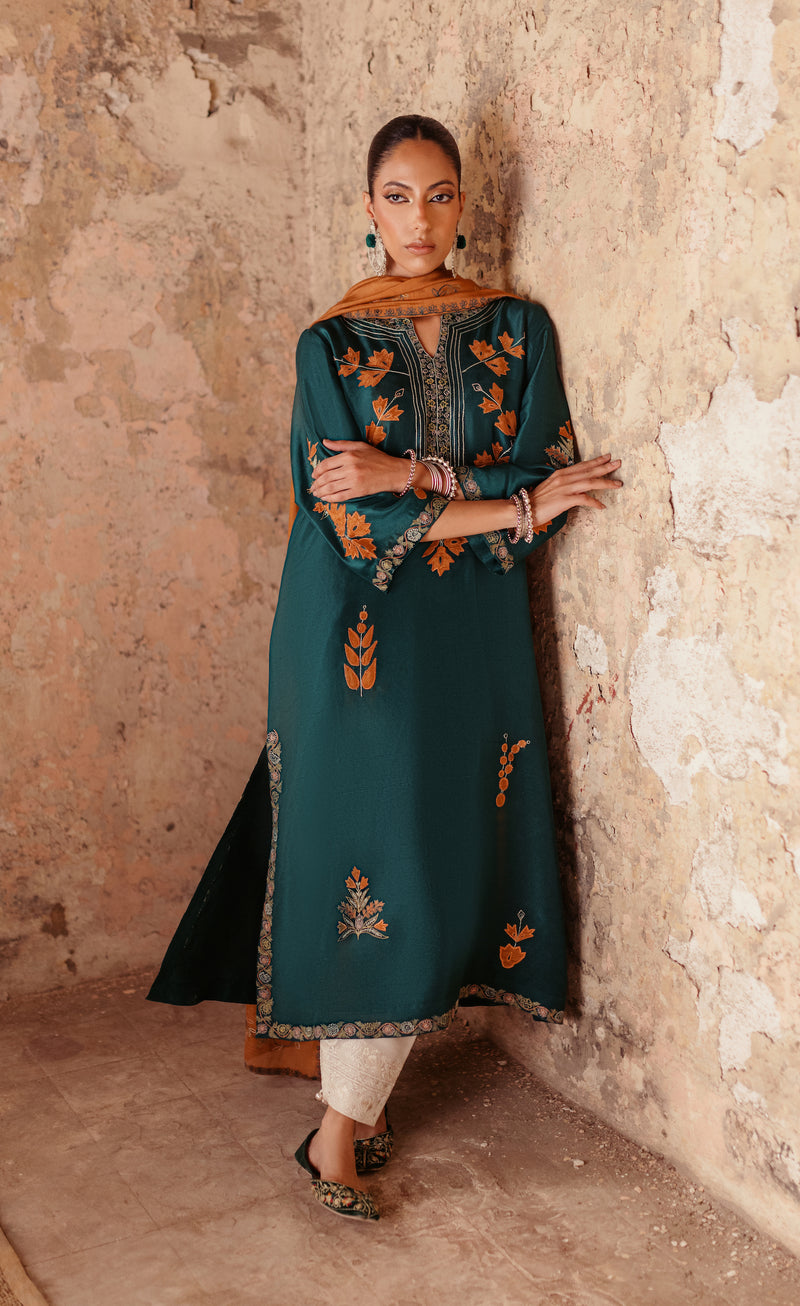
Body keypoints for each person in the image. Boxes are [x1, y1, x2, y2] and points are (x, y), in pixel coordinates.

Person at [148, 114, 622, 1222]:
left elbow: (546, 474)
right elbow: (348, 517)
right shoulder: (327, 346)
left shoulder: (518, 328)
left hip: (472, 631)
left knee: (443, 850)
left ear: (465, 204)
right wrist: (497, 499)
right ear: (368, 210)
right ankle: (336, 1134)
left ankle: (351, 1104)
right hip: (350, 626)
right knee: (379, 855)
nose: (420, 219)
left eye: (439, 195)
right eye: (398, 198)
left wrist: (416, 474)